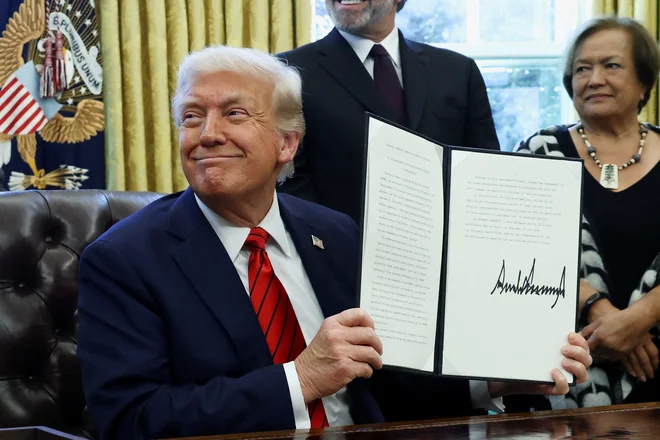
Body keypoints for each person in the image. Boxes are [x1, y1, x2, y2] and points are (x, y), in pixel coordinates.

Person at [77, 45, 591, 440]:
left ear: (286, 143)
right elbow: (128, 420)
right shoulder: (124, 260)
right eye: (192, 116)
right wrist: (300, 378)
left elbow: (387, 379)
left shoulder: (335, 233)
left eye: (234, 114)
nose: (207, 133)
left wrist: (501, 380)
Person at [514, 16, 660, 408]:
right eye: (582, 69)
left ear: (644, 82)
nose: (594, 79)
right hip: (563, 371)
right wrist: (600, 311)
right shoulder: (539, 151)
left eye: (611, 65)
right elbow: (516, 250)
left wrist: (639, 319)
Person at [277, 0, 500, 223]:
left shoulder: (458, 71)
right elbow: (288, 180)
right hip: (335, 241)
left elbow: (485, 174)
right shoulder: (288, 72)